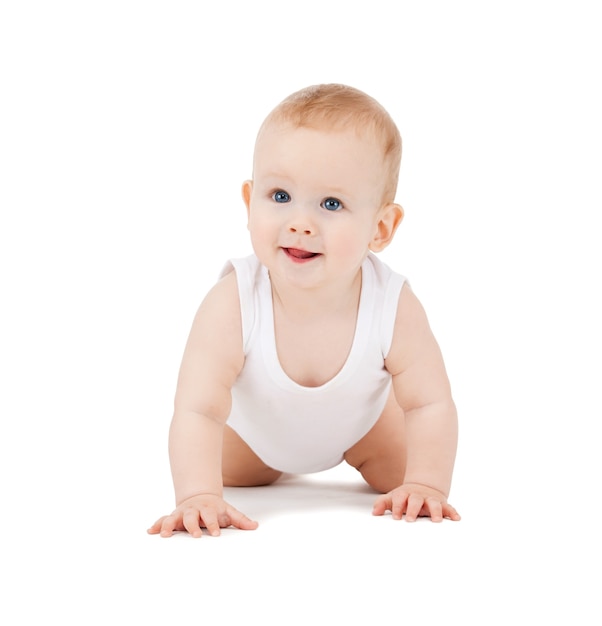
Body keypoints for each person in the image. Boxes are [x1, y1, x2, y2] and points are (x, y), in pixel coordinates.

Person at [148, 84, 460, 538]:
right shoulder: (234, 302)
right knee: (218, 468)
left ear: (381, 227)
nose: (299, 222)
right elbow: (197, 409)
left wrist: (427, 483)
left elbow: (430, 402)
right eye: (279, 196)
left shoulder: (392, 304)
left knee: (403, 475)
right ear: (248, 201)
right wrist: (197, 495)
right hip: (252, 444)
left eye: (331, 204)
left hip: (364, 432)